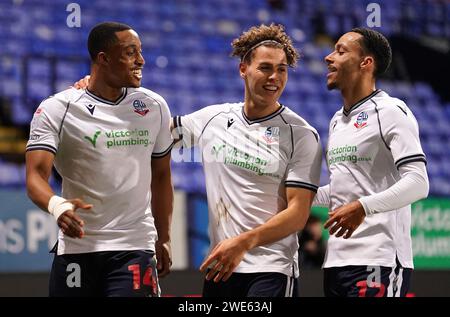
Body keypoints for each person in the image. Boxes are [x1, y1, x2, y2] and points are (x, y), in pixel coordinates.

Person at [172, 24, 322, 297]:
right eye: (266, 67)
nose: (274, 77)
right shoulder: (212, 120)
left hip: (271, 269)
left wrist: (243, 243)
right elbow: (154, 135)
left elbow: (298, 214)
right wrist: (97, 90)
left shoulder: (301, 134)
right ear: (243, 69)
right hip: (222, 267)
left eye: (282, 69)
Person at [25, 22, 174, 297]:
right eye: (130, 52)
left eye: (140, 51)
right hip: (78, 248)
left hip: (133, 246)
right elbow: (35, 177)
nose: (141, 60)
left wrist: (163, 237)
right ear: (103, 59)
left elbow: (162, 175)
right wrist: (58, 206)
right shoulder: (57, 109)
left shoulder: (154, 106)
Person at [313, 27, 429, 297]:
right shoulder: (336, 121)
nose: (329, 58)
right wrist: (295, 196)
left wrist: (363, 207)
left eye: (341, 51)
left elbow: (418, 182)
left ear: (366, 63)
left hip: (379, 261)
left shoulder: (391, 111)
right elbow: (343, 190)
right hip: (337, 262)